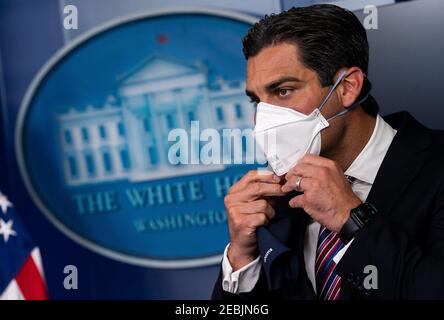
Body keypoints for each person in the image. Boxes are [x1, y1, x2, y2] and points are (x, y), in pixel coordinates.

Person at [212, 4, 444, 300]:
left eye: (283, 91)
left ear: (347, 87)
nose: (264, 118)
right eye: (258, 101)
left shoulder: (435, 166)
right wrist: (242, 261)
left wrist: (353, 219)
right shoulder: (279, 202)